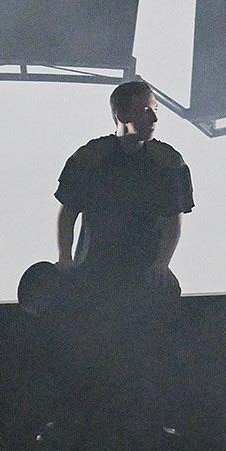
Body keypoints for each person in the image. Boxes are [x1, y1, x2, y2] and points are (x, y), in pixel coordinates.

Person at [25, 79, 193, 307]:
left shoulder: (167, 162)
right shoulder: (91, 158)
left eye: (155, 111)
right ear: (122, 115)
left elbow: (173, 218)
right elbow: (68, 212)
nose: (154, 119)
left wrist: (162, 264)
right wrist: (65, 258)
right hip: (94, 270)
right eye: (145, 111)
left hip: (143, 273)